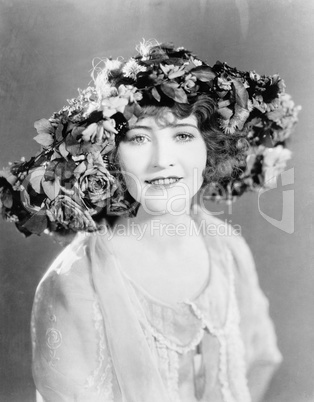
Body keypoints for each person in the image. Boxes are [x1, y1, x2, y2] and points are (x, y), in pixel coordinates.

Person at [1, 42, 299, 401]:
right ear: (108, 156)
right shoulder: (76, 282)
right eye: (139, 138)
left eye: (183, 136)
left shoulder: (226, 247)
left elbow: (257, 364)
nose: (162, 160)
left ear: (210, 148)